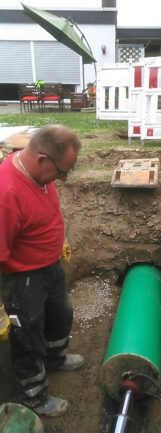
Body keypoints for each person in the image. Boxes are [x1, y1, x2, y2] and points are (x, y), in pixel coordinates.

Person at [0, 124, 83, 417]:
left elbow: (48, 212)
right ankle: (33, 395)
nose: (64, 178)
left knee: (61, 315)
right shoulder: (6, 193)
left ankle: (55, 358)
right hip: (23, 278)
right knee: (28, 335)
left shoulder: (41, 175)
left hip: (50, 264)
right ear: (42, 159)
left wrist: (61, 239)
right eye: (62, 172)